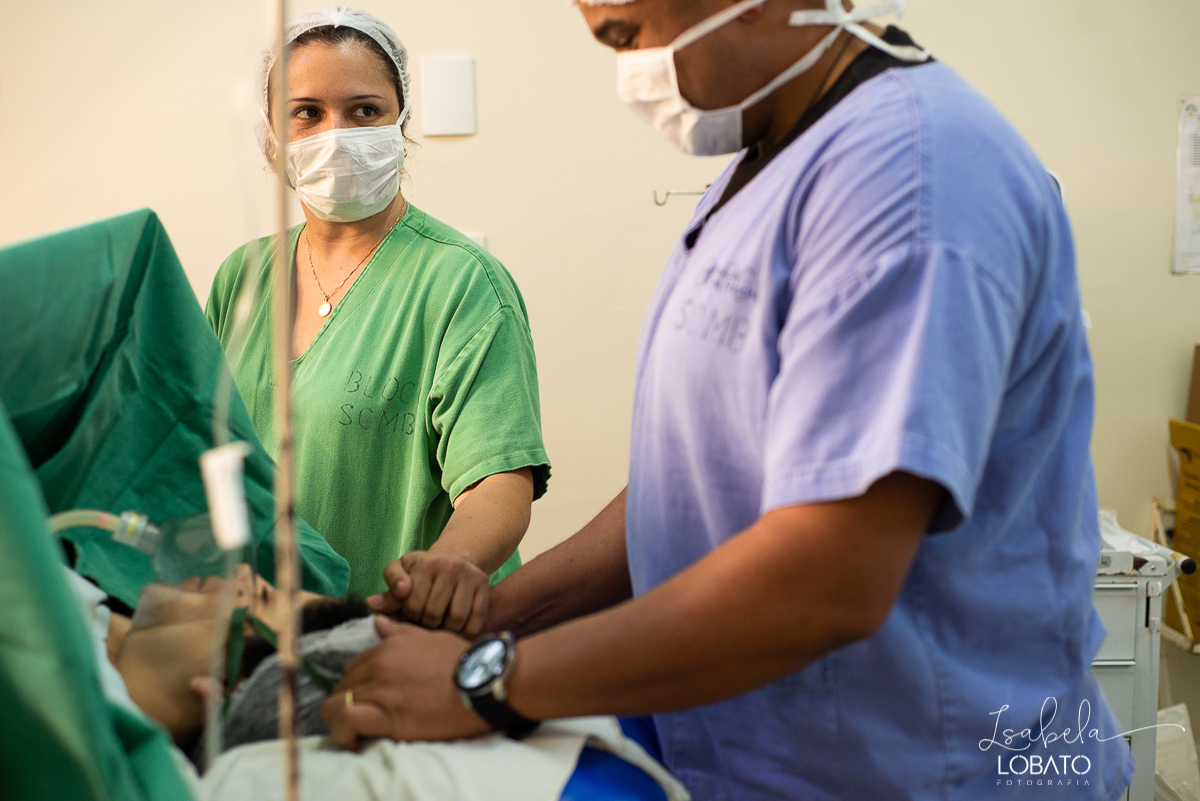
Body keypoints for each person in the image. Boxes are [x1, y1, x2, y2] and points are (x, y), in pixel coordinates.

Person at [321, 1, 1136, 799]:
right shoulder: (762, 169)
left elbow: (826, 577)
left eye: (629, 35)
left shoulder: (914, 176)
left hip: (926, 764)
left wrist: (485, 681)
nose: (628, 73)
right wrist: (499, 617)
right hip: (748, 751)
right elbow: (702, 483)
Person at [206, 7, 550, 634]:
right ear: (272, 133)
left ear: (402, 121)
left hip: (417, 634)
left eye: (364, 110)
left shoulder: (460, 282)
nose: (335, 134)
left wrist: (433, 583)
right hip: (278, 632)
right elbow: (208, 448)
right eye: (306, 112)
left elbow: (498, 485)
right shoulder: (244, 278)